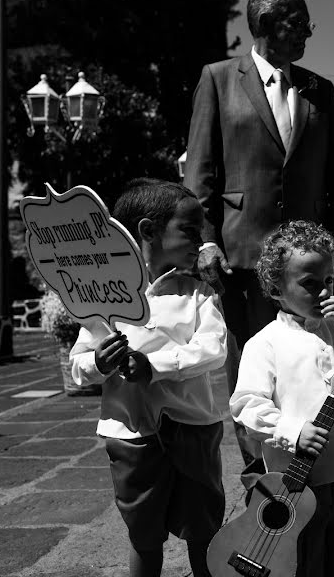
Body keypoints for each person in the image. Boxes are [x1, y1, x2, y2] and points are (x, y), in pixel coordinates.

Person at [184, 0, 334, 479]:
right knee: (251, 372)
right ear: (267, 25)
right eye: (299, 23)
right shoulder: (217, 78)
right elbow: (201, 174)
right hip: (240, 257)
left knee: (312, 364)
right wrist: (206, 240)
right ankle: (261, 479)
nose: (307, 33)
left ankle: (313, 471)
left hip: (308, 266)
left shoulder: (319, 90)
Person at [70, 179, 228, 577]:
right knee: (143, 534)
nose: (202, 241)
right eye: (190, 231)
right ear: (148, 231)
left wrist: (155, 366)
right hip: (131, 433)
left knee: (203, 528)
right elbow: (78, 366)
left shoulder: (197, 294)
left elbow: (214, 349)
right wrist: (99, 363)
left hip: (194, 426)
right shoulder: (102, 297)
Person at [230, 221, 334, 577]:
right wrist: (293, 430)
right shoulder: (265, 343)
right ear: (275, 288)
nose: (323, 292)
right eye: (309, 284)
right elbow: (246, 405)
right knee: (303, 557)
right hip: (296, 478)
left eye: (329, 282)